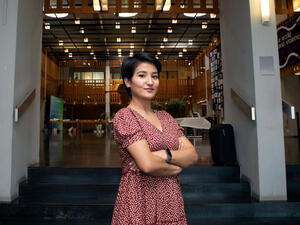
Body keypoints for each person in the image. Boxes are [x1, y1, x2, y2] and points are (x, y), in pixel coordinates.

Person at [112, 52, 198, 225]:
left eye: (155, 76)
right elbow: (148, 165)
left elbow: (192, 155)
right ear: (128, 81)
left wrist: (163, 155)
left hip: (170, 198)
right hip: (139, 197)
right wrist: (176, 168)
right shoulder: (125, 116)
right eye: (142, 75)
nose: (150, 82)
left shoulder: (166, 117)